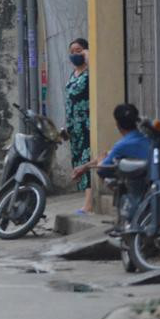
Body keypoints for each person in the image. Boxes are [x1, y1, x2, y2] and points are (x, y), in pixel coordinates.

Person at [71, 103, 150, 183]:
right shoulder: (148, 138)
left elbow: (102, 169)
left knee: (104, 171)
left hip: (140, 187)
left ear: (118, 124)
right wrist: (85, 167)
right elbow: (109, 154)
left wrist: (99, 163)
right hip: (152, 184)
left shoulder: (122, 145)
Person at [65, 37, 93, 214]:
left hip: (86, 124)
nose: (75, 54)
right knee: (78, 161)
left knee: (86, 161)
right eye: (72, 51)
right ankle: (86, 201)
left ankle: (89, 205)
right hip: (74, 126)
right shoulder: (73, 74)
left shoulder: (89, 73)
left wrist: (88, 56)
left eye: (79, 50)